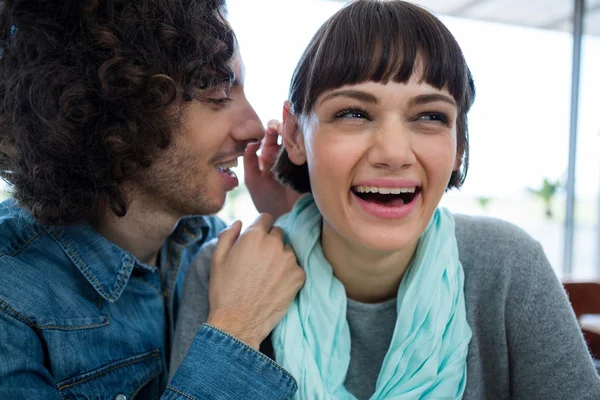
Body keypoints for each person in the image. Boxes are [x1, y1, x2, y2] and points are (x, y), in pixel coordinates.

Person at [171, 0, 600, 399]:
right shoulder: (221, 271)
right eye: (353, 113)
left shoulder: (507, 265)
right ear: (297, 136)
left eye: (430, 116)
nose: (393, 153)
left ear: (459, 148)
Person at [0, 0, 304, 398]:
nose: (253, 127)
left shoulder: (217, 247)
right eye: (215, 93)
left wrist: (296, 222)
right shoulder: (11, 300)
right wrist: (237, 329)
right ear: (116, 104)